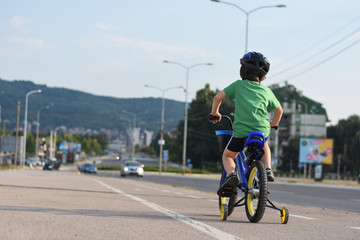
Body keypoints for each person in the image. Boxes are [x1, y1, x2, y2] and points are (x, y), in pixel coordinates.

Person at [209, 51, 283, 196]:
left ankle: (231, 175)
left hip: (241, 132)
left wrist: (215, 113)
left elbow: (217, 97)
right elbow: (279, 110)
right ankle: (267, 169)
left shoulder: (238, 85)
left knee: (228, 156)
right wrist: (273, 124)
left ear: (242, 71)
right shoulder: (266, 91)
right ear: (262, 76)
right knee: (265, 146)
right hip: (262, 129)